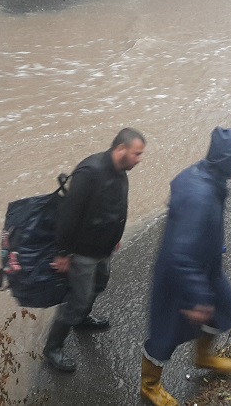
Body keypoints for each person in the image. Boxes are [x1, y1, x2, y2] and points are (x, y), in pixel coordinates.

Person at [140, 127, 231, 406]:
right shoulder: (200, 197)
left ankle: (203, 357)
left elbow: (177, 187)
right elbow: (180, 254)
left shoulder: (204, 174)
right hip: (180, 276)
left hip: (206, 267)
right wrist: (198, 297)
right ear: (226, 160)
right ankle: (149, 386)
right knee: (164, 334)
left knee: (224, 309)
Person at [43, 127, 146, 373]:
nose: (139, 159)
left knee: (99, 285)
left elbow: (116, 207)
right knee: (77, 300)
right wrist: (62, 253)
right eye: (136, 153)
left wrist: (115, 238)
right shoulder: (90, 172)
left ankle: (82, 320)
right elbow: (69, 216)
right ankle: (52, 349)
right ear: (120, 149)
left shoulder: (121, 170)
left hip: (104, 249)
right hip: (82, 253)